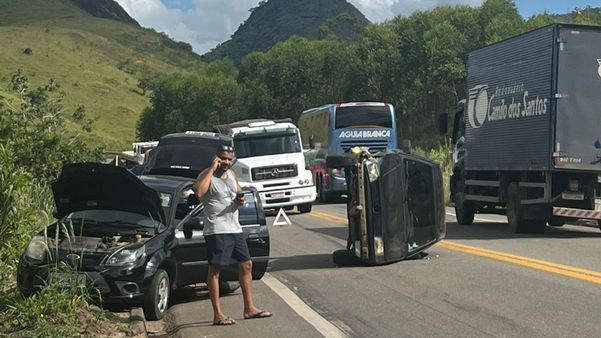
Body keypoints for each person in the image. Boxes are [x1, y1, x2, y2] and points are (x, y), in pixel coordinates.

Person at [194, 144, 272, 326]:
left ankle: (249, 308)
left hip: (235, 228)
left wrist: (241, 199)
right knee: (216, 269)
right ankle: (218, 314)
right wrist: (211, 169)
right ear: (216, 158)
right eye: (223, 158)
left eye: (230, 159)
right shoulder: (207, 176)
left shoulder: (232, 175)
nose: (226, 162)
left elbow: (238, 194)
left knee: (246, 264)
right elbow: (199, 192)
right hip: (217, 229)